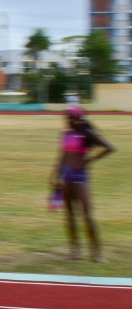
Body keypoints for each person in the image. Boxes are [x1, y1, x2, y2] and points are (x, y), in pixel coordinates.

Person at [50, 106, 114, 263]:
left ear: (79, 118)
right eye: (66, 118)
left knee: (86, 215)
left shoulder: (86, 134)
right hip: (66, 176)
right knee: (69, 215)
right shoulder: (65, 134)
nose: (68, 121)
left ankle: (96, 252)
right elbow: (63, 155)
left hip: (80, 177)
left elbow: (109, 147)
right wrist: (54, 176)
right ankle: (74, 251)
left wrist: (90, 159)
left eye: (71, 117)